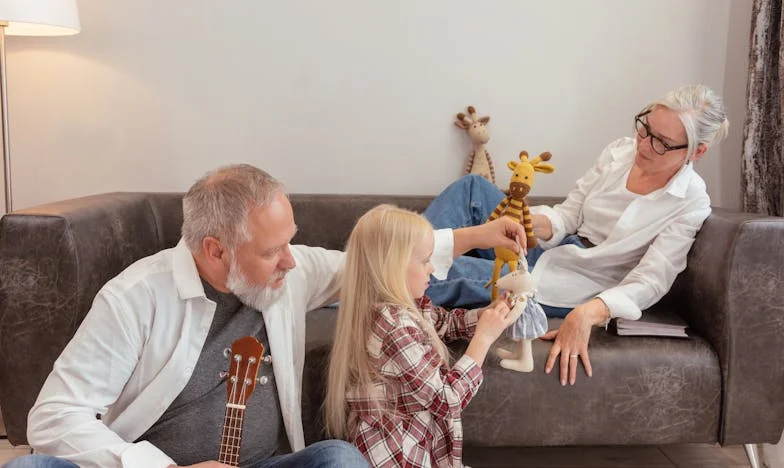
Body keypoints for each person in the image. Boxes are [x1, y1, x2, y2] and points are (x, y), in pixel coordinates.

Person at [6, 165, 526, 468]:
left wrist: (478, 237)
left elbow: (380, 262)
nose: (292, 261)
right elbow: (52, 419)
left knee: (342, 460)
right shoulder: (135, 299)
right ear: (215, 251)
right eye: (273, 250)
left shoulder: (287, 275)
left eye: (291, 241)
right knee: (31, 466)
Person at [423, 84, 729, 387]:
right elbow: (569, 215)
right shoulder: (620, 151)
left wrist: (588, 313)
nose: (645, 144)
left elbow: (651, 281)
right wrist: (526, 221)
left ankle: (393, 284)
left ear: (696, 151)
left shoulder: (691, 202)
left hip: (579, 280)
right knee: (472, 189)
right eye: (645, 129)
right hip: (553, 248)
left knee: (454, 274)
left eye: (661, 142)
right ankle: (400, 255)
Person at [324, 205, 515, 468]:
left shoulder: (401, 309)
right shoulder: (394, 326)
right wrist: (483, 339)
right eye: (425, 261)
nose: (432, 268)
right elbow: (447, 400)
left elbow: (444, 322)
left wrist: (484, 315)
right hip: (400, 458)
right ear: (395, 266)